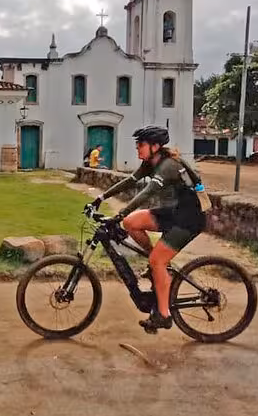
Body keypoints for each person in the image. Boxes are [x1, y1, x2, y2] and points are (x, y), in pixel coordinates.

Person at [83, 125, 207, 333]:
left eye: (141, 144)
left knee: (157, 259)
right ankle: (157, 267)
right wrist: (100, 198)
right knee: (131, 223)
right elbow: (129, 182)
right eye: (137, 145)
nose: (137, 149)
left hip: (189, 219)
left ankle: (164, 315)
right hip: (172, 212)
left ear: (155, 146)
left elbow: (145, 194)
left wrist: (119, 214)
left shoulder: (168, 166)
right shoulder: (150, 163)